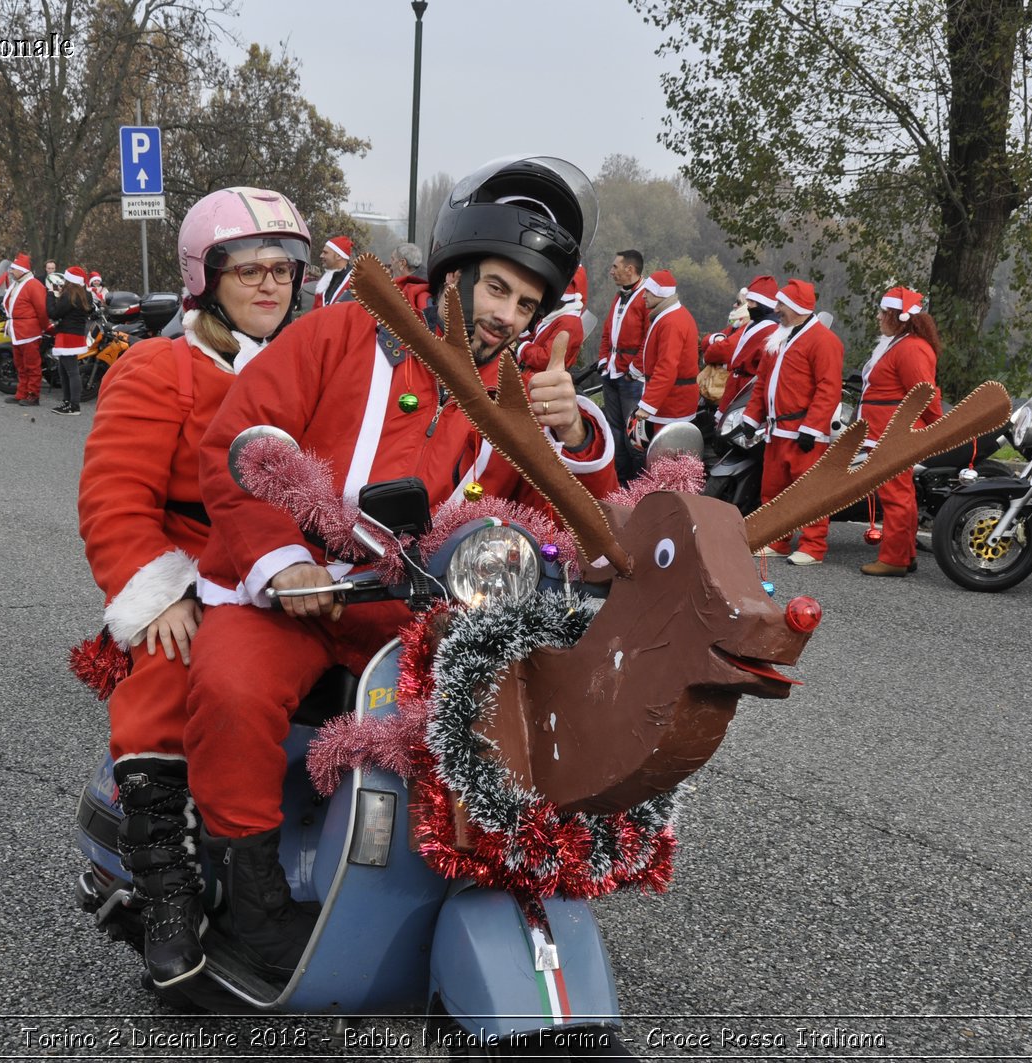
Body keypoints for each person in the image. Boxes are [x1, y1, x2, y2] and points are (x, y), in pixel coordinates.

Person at [187, 156, 616, 981]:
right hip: (302, 591)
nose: (507, 316)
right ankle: (250, 893)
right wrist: (281, 562)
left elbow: (579, 533)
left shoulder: (522, 393)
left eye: (527, 304)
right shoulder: (339, 333)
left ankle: (484, 899)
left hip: (424, 620)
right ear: (453, 269)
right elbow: (241, 443)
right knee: (233, 684)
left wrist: (574, 439)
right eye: (496, 289)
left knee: (521, 729)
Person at [77, 186, 314, 988]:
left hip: (291, 578)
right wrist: (162, 595)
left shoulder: (305, 370)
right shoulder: (160, 368)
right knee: (176, 667)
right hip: (191, 578)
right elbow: (114, 499)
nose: (269, 284)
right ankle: (168, 890)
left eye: (283, 268)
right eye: (247, 269)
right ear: (204, 277)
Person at [737, 278, 844, 565]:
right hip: (776, 430)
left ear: (796, 307)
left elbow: (828, 387)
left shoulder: (824, 341)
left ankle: (813, 546)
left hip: (803, 432)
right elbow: (762, 383)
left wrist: (812, 427)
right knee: (772, 489)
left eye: (782, 304)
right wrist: (751, 417)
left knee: (809, 492)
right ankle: (777, 539)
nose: (777, 309)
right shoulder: (779, 337)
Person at [857, 286, 943, 577]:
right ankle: (904, 554)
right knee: (900, 495)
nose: (879, 318)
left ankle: (894, 558)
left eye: (884, 313)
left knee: (896, 496)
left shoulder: (911, 348)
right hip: (886, 430)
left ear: (899, 316)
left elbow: (924, 393)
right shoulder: (900, 344)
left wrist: (936, 426)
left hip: (894, 432)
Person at [627, 268, 700, 464]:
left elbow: (667, 367)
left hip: (672, 403)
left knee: (665, 459)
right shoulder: (669, 316)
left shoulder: (671, 321)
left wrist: (648, 405)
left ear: (660, 293)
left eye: (648, 292)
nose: (643, 296)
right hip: (669, 400)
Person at [597, 249, 649, 483]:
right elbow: (608, 331)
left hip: (631, 377)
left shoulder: (646, 297)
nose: (611, 271)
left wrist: (634, 371)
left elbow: (648, 339)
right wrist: (602, 360)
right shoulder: (619, 296)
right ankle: (619, 478)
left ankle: (638, 481)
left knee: (633, 433)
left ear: (630, 269)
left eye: (615, 267)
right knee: (614, 428)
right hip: (612, 370)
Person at [708, 274, 779, 410]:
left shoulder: (770, 329)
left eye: (752, 302)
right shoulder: (752, 323)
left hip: (746, 388)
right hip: (736, 384)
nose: (749, 306)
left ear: (763, 304)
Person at [515, 265, 587, 372]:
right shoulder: (557, 314)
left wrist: (522, 348)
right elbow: (539, 337)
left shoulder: (569, 323)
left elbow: (547, 358)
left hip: (538, 381)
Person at [3, 253, 49, 406]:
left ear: (22, 270)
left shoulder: (33, 285)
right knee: (20, 365)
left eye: (14, 269)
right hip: (17, 331)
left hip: (29, 332)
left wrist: (43, 327)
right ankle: (21, 393)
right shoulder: (18, 283)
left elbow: (42, 310)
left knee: (32, 366)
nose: (11, 271)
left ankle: (33, 395)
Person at [48, 265, 93, 416]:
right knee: (64, 369)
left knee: (71, 371)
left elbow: (53, 313)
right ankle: (68, 402)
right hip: (77, 334)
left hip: (67, 335)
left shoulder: (69, 295)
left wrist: (50, 294)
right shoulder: (86, 295)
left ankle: (73, 406)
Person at [310, 235, 354, 309]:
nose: (321, 255)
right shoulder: (324, 281)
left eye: (325, 252)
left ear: (338, 256)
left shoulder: (355, 282)